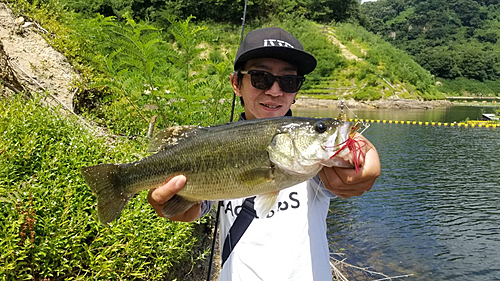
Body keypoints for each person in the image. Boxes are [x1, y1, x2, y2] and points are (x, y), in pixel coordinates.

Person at [148, 27, 381, 280]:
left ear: (296, 91)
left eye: (289, 81)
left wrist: (364, 157)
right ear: (236, 83)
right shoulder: (215, 145)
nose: (274, 91)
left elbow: (351, 153)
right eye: (261, 78)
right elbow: (196, 208)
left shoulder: (315, 166)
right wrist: (176, 208)